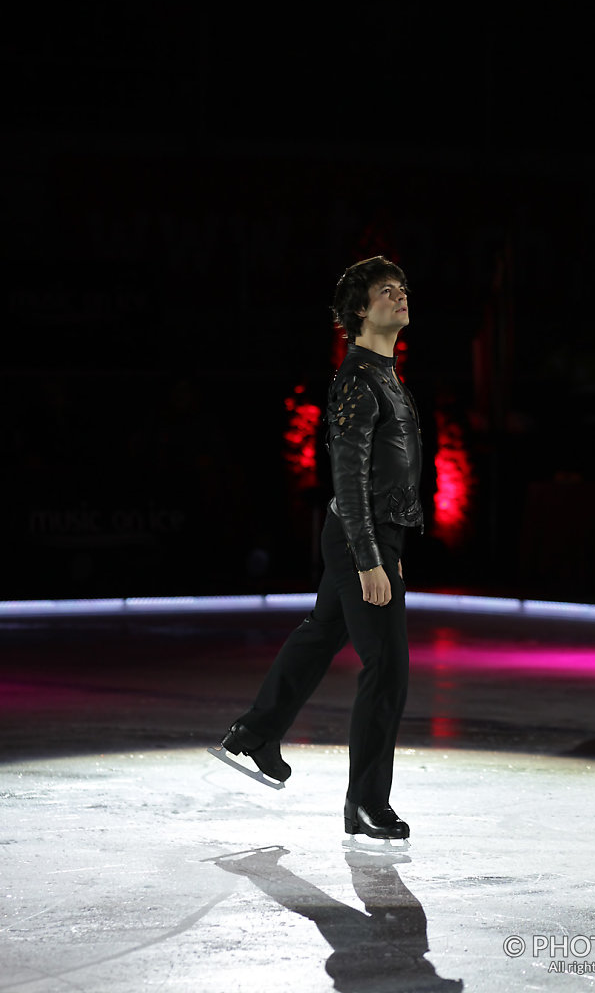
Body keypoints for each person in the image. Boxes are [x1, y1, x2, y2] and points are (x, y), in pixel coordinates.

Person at [220, 255, 423, 839]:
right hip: (360, 535)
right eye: (387, 292)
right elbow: (349, 476)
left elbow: (393, 473)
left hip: (375, 533)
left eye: (402, 289)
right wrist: (369, 555)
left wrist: (395, 539)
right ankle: (366, 804)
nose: (400, 296)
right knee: (387, 670)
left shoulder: (386, 376)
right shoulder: (358, 380)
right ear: (360, 311)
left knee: (320, 633)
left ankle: (256, 731)